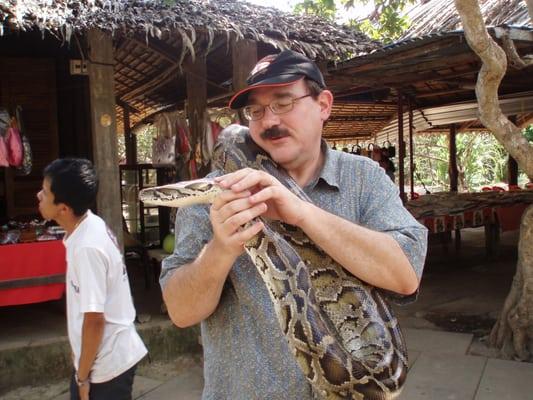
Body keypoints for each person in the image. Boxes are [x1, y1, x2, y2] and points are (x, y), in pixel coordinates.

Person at [161, 50, 428, 399]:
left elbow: (405, 275)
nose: (268, 120)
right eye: (256, 110)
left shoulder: (364, 179)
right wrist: (221, 249)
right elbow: (181, 312)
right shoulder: (216, 194)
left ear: (323, 105)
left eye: (283, 102)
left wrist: (302, 212)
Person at [37, 158, 147, 400]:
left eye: (45, 192)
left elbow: (95, 319)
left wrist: (83, 376)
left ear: (63, 208)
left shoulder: (87, 247)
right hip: (98, 357)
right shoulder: (86, 225)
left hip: (107, 364)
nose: (39, 196)